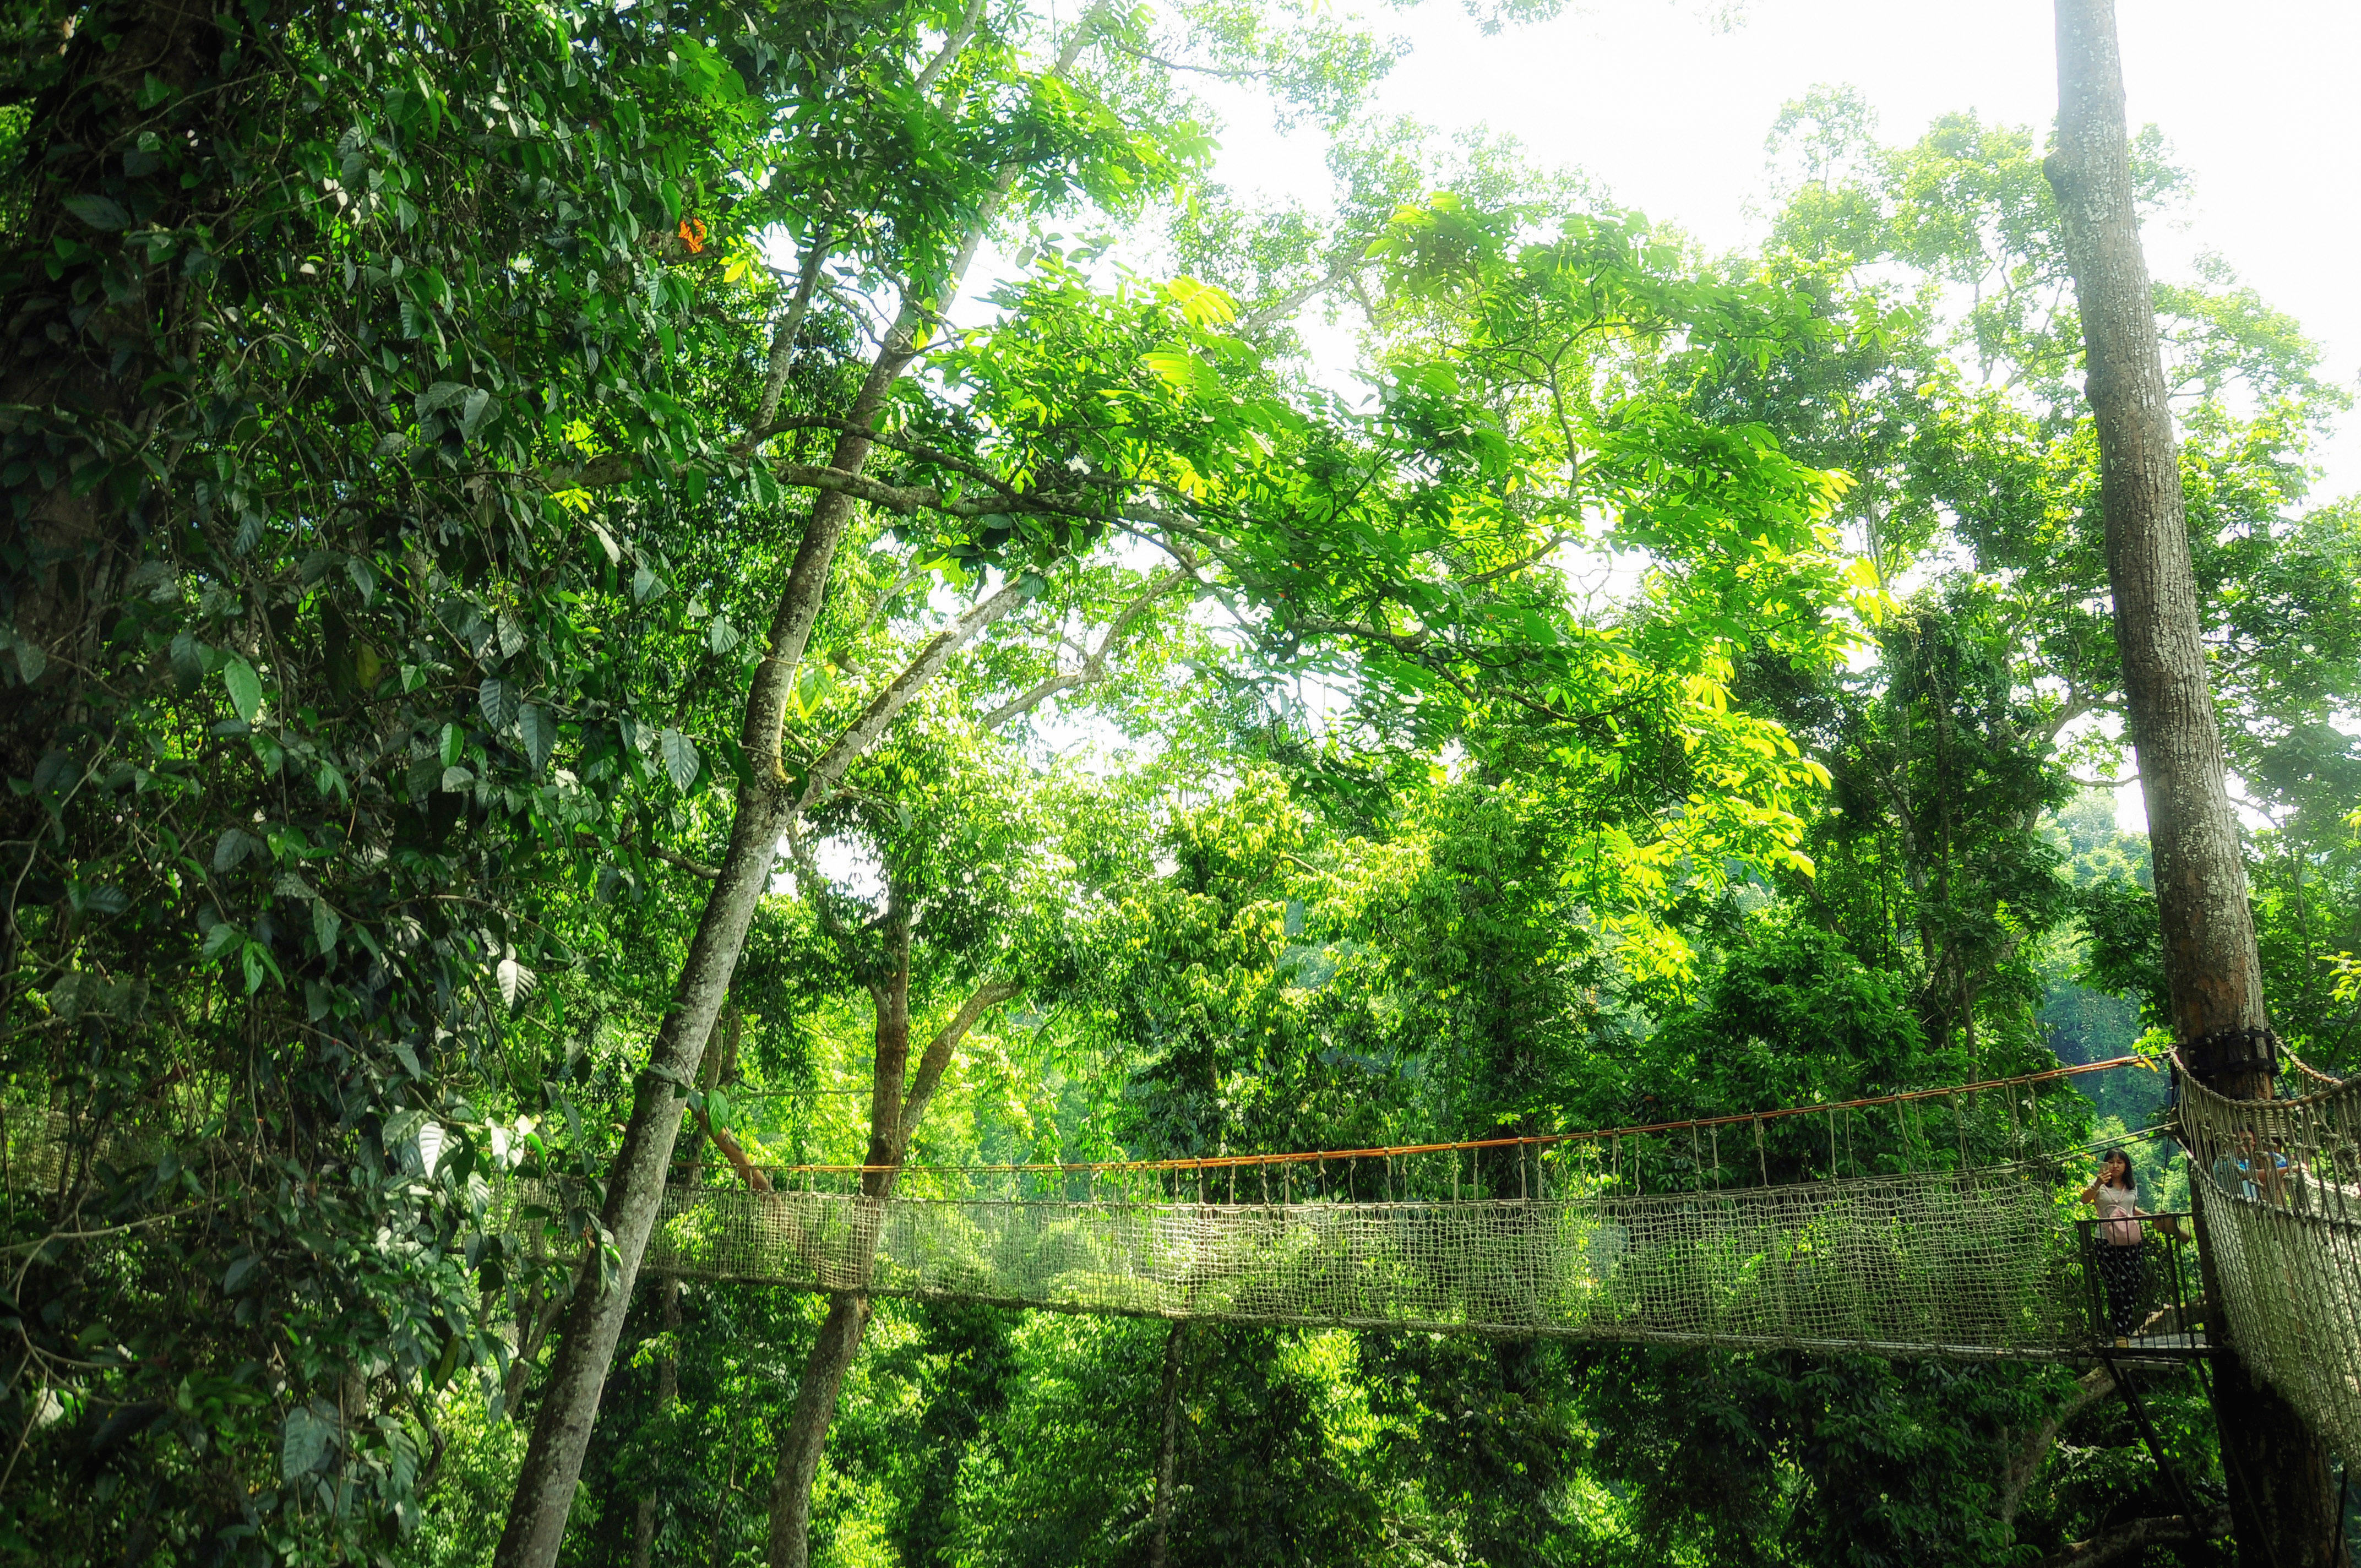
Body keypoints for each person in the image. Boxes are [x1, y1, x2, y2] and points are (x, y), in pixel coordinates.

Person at [2080, 1148, 2147, 1342]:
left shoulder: (2131, 1187)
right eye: (2111, 1162)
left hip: (2131, 1240)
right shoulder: (2099, 1186)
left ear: (2126, 1166)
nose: (2115, 1166)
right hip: (2105, 1241)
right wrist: (2098, 1183)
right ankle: (2121, 1333)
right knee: (2115, 1286)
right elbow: (2084, 1200)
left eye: (2120, 1162)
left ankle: (2123, 1327)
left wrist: (2153, 1217)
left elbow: (2131, 1210)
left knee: (2131, 1284)